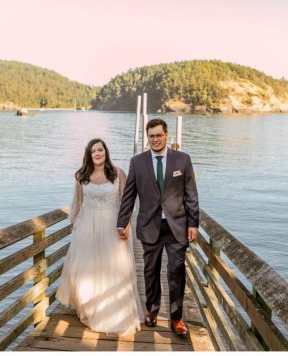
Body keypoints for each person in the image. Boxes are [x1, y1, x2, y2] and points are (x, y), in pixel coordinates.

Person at [117, 118, 200, 336]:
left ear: (166, 135)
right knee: (150, 271)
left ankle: (176, 317)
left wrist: (194, 223)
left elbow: (191, 195)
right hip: (149, 226)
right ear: (148, 138)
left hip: (177, 226)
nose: (155, 139)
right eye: (151, 136)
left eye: (158, 135)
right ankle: (152, 311)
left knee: (176, 271)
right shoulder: (137, 162)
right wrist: (122, 222)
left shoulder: (183, 160)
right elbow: (129, 196)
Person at [56, 138, 142, 335]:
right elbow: (77, 203)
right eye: (93, 150)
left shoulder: (118, 174)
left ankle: (112, 313)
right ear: (89, 154)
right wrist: (74, 226)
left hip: (111, 227)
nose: (97, 153)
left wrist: (126, 224)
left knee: (112, 270)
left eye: (100, 150)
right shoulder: (82, 176)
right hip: (87, 227)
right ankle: (89, 308)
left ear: (106, 152)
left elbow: (127, 202)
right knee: (85, 269)